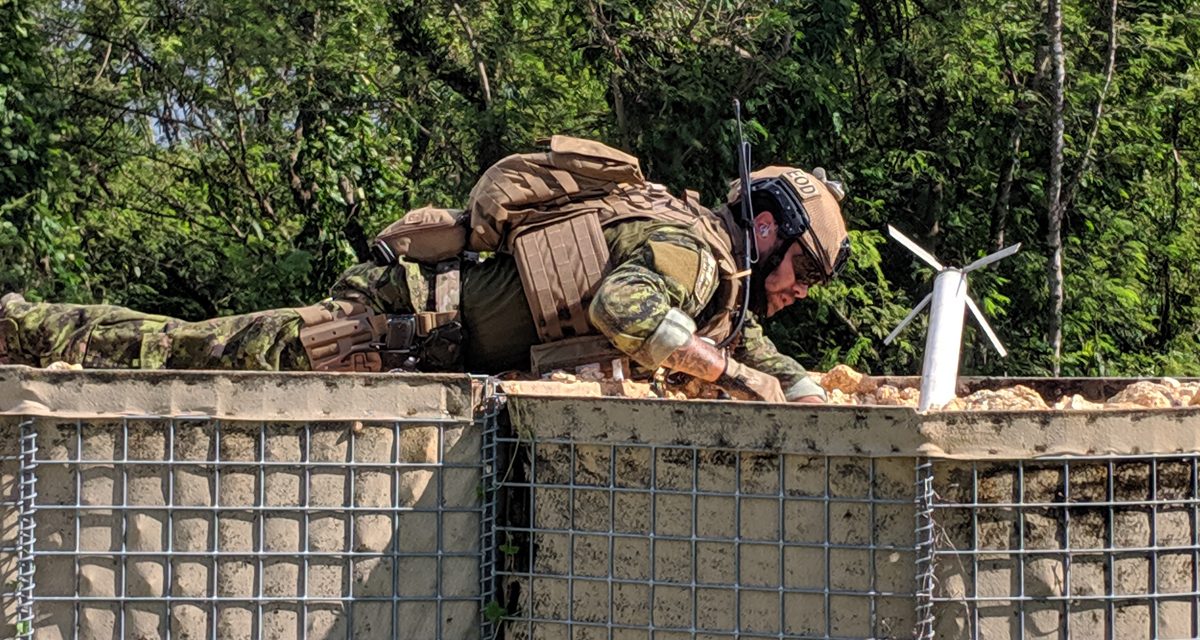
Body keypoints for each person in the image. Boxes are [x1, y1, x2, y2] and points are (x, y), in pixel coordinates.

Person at [0, 141, 849, 403]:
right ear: (765, 228)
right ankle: (22, 324)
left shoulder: (712, 279)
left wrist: (804, 390)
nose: (800, 289)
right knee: (191, 350)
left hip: (417, 344)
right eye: (804, 269)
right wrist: (730, 376)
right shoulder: (690, 253)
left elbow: (746, 346)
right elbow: (625, 308)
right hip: (386, 329)